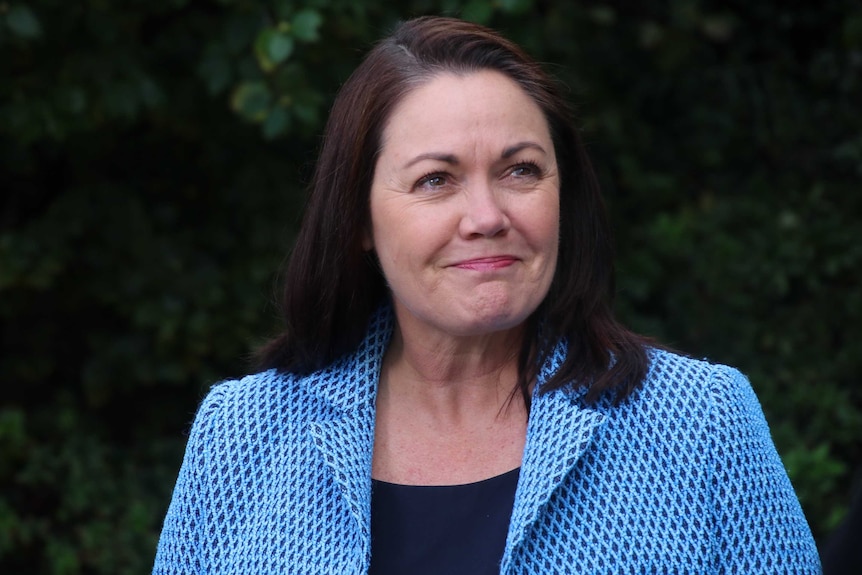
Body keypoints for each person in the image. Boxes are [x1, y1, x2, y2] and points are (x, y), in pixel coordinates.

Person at [153, 15, 821, 574]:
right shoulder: (241, 434)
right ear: (357, 218)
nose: (486, 214)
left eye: (520, 170)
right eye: (436, 180)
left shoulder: (700, 422)